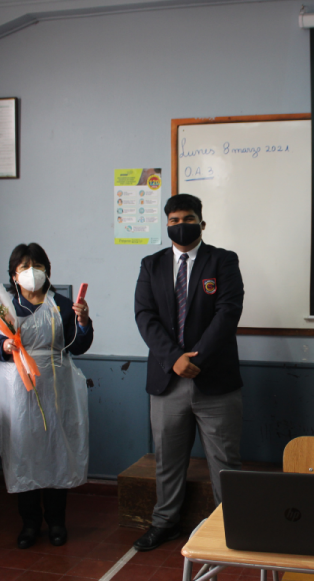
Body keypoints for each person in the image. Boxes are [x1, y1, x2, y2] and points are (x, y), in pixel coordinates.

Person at [133, 193, 244, 551]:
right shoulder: (151, 265)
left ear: (202, 222)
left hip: (214, 380)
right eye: (173, 220)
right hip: (167, 380)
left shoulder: (223, 261)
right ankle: (165, 522)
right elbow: (145, 317)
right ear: (166, 225)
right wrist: (175, 359)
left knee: (225, 462)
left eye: (187, 218)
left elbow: (228, 312)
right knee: (167, 460)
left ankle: (232, 526)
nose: (180, 225)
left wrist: (195, 359)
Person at [0, 243, 93, 549]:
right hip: (16, 391)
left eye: (37, 266)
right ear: (13, 274)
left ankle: (56, 522)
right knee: (23, 453)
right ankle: (29, 523)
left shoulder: (63, 306)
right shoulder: (1, 307)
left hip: (56, 388)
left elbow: (77, 347)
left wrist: (83, 322)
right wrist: (2, 347)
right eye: (24, 267)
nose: (31, 272)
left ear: (47, 270)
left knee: (56, 452)